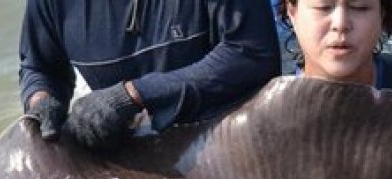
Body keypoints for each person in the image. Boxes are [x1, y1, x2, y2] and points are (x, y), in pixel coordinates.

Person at [19, 0, 281, 151]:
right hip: (129, 149)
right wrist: (41, 101)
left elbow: (251, 55)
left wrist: (136, 94)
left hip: (226, 138)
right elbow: (41, 68)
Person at [280, 0, 392, 108]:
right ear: (292, 13)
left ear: (382, 14)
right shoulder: (269, 111)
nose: (340, 24)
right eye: (323, 7)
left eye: (360, 7)